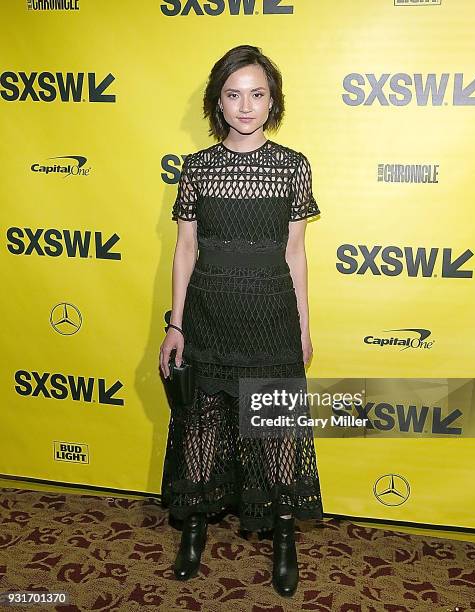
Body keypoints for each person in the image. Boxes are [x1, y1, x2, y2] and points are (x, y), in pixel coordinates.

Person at [159, 44, 323, 598]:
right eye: (233, 94)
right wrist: (175, 324)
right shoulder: (197, 168)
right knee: (202, 427)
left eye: (257, 94)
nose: (245, 106)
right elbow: (184, 250)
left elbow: (296, 252)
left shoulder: (292, 166)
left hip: (272, 315)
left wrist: (302, 325)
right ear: (218, 101)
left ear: (272, 100)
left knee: (275, 431)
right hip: (208, 313)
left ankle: (282, 536)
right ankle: (196, 529)